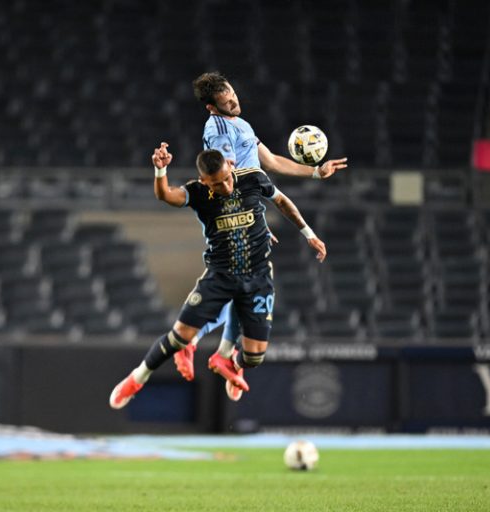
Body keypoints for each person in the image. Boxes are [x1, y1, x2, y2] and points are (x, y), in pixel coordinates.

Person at [109, 143, 326, 409]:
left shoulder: (253, 178)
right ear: (204, 181)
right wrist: (160, 170)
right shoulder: (198, 192)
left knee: (254, 357)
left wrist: (309, 234)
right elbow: (165, 195)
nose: (225, 187)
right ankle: (136, 378)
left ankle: (229, 361)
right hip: (220, 276)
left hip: (258, 278)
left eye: (226, 179)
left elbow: (281, 201)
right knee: (180, 337)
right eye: (216, 184)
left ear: (231, 167)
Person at [172, 71, 348, 398]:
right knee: (242, 282)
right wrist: (252, 219)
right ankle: (195, 344)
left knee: (248, 286)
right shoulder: (219, 129)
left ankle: (221, 354)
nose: (234, 102)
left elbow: (271, 162)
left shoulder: (241, 124)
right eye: (227, 101)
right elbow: (228, 176)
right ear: (213, 107)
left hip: (249, 212)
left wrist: (314, 171)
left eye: (234, 95)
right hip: (237, 215)